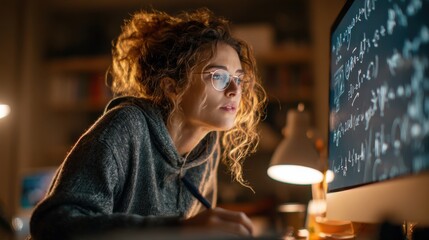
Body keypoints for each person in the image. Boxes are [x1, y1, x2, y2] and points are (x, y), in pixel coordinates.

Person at [29, 7, 266, 240]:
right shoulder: (125, 127)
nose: (235, 90)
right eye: (218, 77)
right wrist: (176, 230)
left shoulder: (206, 147)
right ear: (172, 87)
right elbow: (53, 224)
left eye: (238, 78)